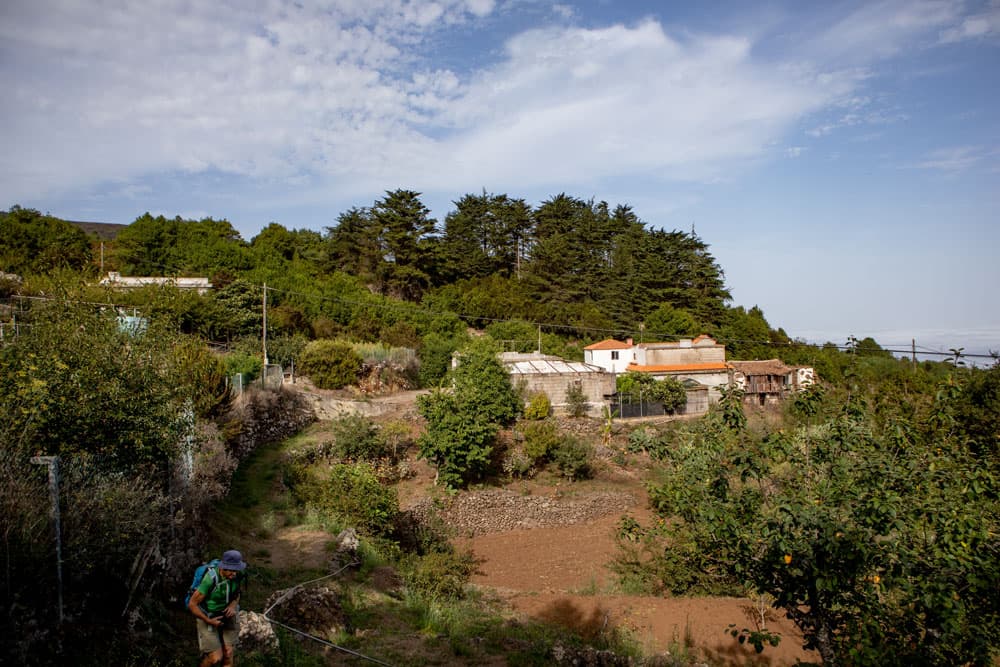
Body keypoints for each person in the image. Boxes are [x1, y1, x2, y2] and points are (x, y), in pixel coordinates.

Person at [188, 550, 247, 667]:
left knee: (228, 653)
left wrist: (233, 605)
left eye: (236, 570)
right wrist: (208, 620)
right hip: (208, 615)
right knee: (215, 658)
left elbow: (238, 592)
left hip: (228, 614)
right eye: (231, 570)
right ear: (223, 568)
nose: (234, 574)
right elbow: (192, 604)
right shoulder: (210, 579)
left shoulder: (238, 574)